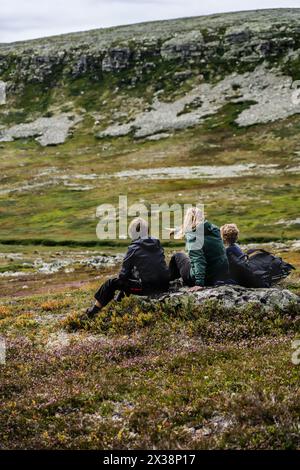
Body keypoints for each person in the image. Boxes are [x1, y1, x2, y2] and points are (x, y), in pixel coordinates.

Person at [85, 217, 170, 317]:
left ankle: (94, 311)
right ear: (147, 230)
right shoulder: (157, 243)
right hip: (164, 285)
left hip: (149, 289)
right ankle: (119, 299)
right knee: (134, 271)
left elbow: (123, 276)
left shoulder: (133, 248)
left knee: (111, 283)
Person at [169, 207, 229, 291]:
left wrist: (199, 283)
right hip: (219, 275)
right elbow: (197, 226)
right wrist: (177, 230)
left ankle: (167, 283)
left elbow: (198, 260)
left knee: (178, 256)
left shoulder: (194, 237)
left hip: (206, 278)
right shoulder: (214, 230)